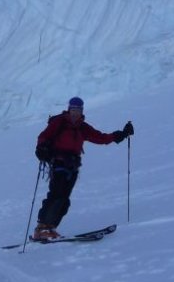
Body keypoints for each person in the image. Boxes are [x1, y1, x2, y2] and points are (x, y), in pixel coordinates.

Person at [32, 96, 134, 241]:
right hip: (59, 163)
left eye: (78, 110)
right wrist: (41, 148)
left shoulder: (82, 127)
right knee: (56, 195)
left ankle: (50, 229)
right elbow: (44, 136)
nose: (75, 113)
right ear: (69, 109)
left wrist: (121, 134)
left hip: (73, 166)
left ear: (81, 111)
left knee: (64, 199)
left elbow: (100, 138)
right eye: (73, 109)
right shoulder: (59, 122)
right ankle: (41, 229)